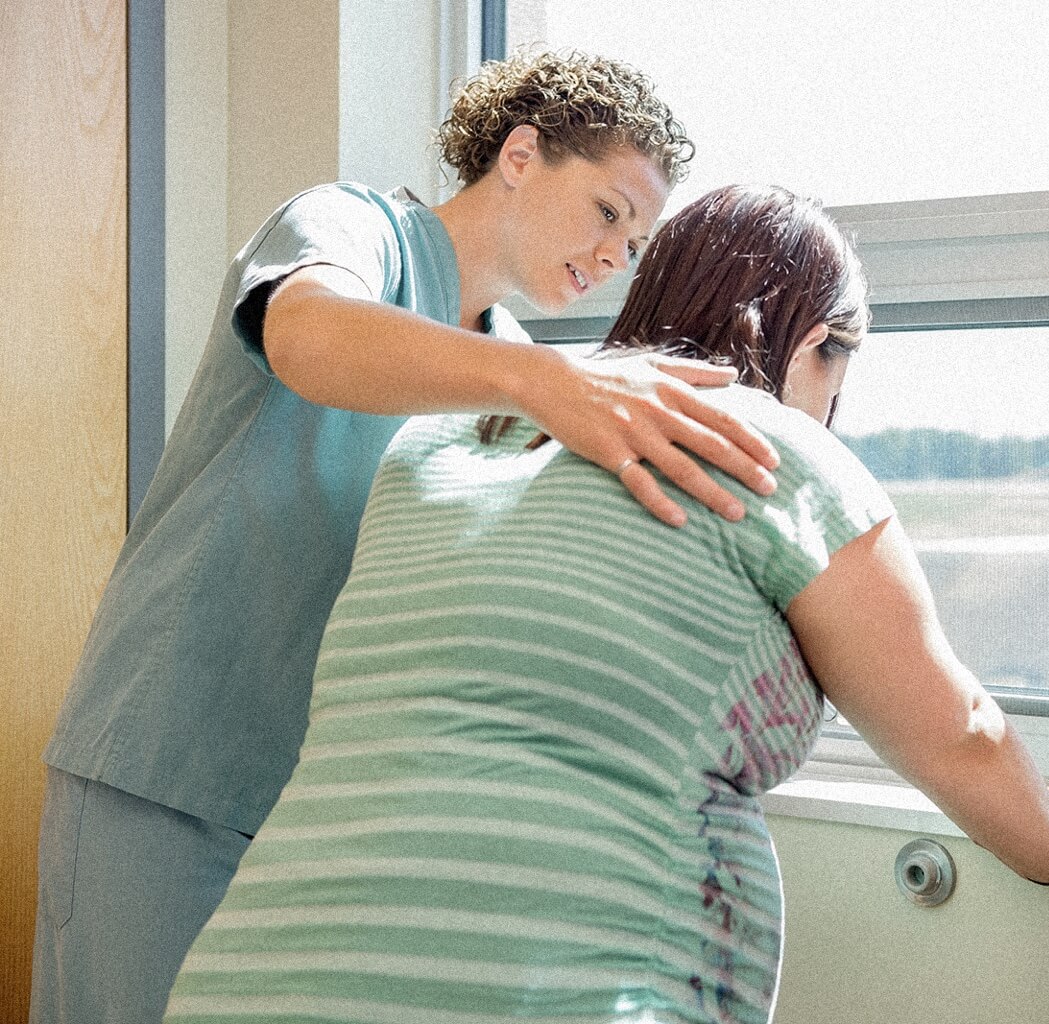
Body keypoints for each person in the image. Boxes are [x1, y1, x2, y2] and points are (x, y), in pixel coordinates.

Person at [161, 184, 1049, 1024]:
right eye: (844, 365)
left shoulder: (450, 439)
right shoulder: (772, 451)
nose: (838, 403)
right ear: (812, 343)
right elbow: (958, 732)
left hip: (254, 977)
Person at [31, 50, 783, 1024]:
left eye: (634, 245)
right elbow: (307, 334)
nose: (613, 257)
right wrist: (545, 385)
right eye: (607, 211)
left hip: (321, 821)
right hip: (169, 769)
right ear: (521, 155)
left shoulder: (518, 368)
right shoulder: (354, 230)